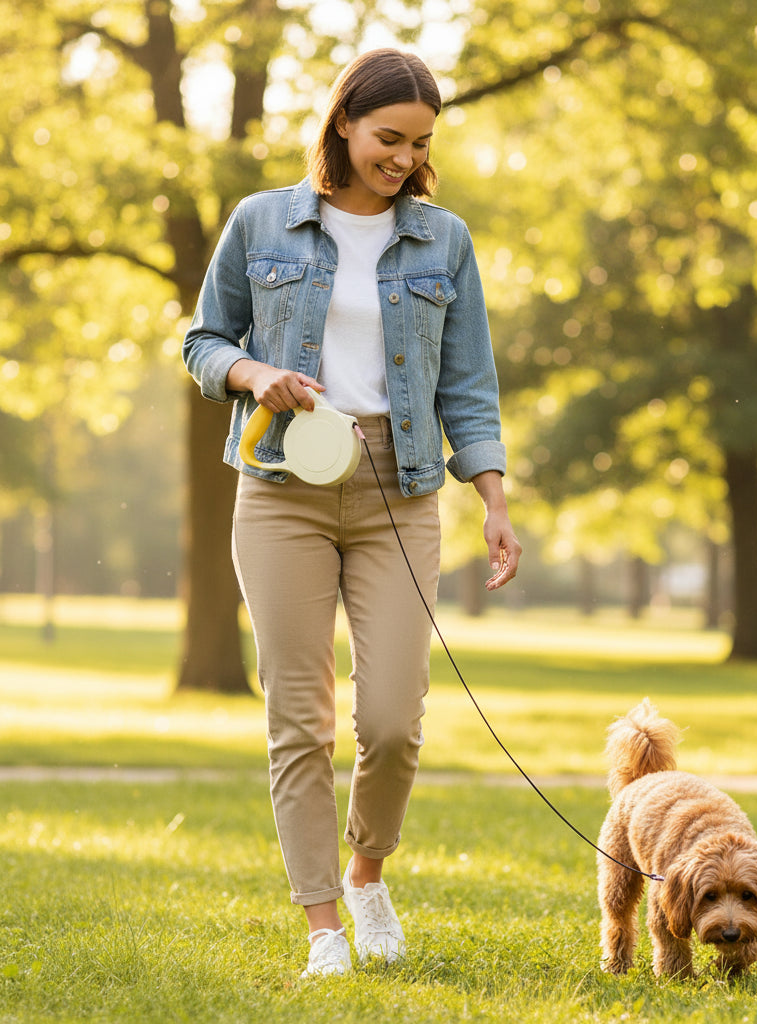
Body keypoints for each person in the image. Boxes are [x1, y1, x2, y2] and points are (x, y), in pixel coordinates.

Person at [182, 47, 522, 978]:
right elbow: (203, 339)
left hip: (400, 488)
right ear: (342, 123)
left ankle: (368, 875)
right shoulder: (261, 223)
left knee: (392, 720)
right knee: (300, 717)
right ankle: (323, 926)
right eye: (388, 138)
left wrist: (491, 498)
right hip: (283, 486)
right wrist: (255, 374)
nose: (403, 158)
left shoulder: (442, 240)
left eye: (419, 144)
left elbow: (470, 384)